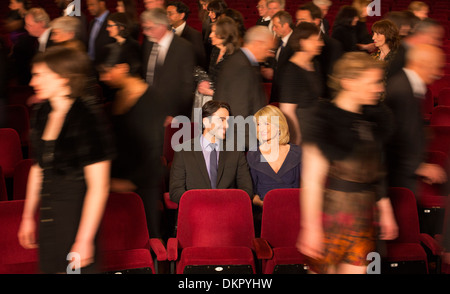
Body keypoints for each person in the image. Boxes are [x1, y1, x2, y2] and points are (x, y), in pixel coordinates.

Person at [297, 52, 398, 274]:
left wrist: (385, 208)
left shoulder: (374, 120)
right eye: (374, 82)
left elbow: (377, 172)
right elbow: (312, 181)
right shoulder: (324, 120)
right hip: (330, 217)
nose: (380, 88)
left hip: (363, 218)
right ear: (349, 83)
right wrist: (311, 228)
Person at [17, 46, 115, 274]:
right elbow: (38, 168)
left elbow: (99, 187)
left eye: (39, 75)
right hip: (49, 218)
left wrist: (84, 239)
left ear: (62, 78)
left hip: (76, 220)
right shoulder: (42, 112)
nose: (32, 82)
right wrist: (27, 216)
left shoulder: (88, 117)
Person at [98, 42, 166, 239]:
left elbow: (152, 149)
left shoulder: (151, 99)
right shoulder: (118, 95)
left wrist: (128, 183)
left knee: (145, 237)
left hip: (140, 184)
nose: (103, 77)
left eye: (106, 71)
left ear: (123, 68)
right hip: (116, 181)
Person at [385, 44, 447, 198]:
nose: (439, 74)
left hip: (406, 173)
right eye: (435, 67)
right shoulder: (401, 89)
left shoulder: (409, 86)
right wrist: (418, 167)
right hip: (399, 177)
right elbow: (394, 138)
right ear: (420, 64)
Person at [169, 100, 253, 204]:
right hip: (195, 214)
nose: (226, 125)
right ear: (205, 122)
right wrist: (205, 203)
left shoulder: (235, 151)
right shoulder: (183, 150)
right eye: (221, 120)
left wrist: (224, 204)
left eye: (228, 121)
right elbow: (175, 192)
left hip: (227, 213)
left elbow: (247, 190)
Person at [247, 105, 302, 233]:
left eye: (267, 123)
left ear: (279, 125)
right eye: (259, 125)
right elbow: (251, 193)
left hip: (294, 213)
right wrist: (267, 205)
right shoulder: (253, 154)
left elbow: (306, 189)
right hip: (264, 215)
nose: (262, 129)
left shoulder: (297, 153)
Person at [141, 7, 196, 121]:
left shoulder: (184, 47)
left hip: (172, 115)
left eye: (149, 28)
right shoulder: (148, 44)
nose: (145, 32)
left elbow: (187, 86)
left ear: (161, 26)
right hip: (149, 110)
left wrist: (175, 114)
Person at [278, 22, 324, 146]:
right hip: (302, 132)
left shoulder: (315, 64)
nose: (321, 43)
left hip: (315, 129)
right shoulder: (291, 71)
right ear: (303, 42)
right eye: (316, 40)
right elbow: (287, 110)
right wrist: (296, 139)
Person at [214, 25, 273, 119]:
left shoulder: (242, 61)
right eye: (268, 49)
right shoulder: (242, 67)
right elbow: (239, 112)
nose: (269, 54)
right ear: (258, 44)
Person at [296, 2, 343, 100]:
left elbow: (333, 81)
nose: (298, 24)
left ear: (316, 21)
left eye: (303, 20)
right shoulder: (295, 42)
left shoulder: (333, 46)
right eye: (297, 20)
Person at [196, 16, 240, 100]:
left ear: (225, 34)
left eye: (214, 32)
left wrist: (211, 93)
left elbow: (235, 90)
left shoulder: (235, 57)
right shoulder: (215, 50)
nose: (210, 35)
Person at [167, 1, 207, 69]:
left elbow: (200, 60)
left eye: (170, 14)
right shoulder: (165, 32)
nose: (167, 16)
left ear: (182, 15)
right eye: (166, 13)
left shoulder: (194, 35)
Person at [266, 10, 294, 104]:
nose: (273, 29)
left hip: (288, 95)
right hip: (277, 92)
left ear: (285, 25)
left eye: (276, 26)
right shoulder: (278, 41)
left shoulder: (295, 43)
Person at [370, 19, 400, 86]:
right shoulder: (372, 57)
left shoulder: (397, 57)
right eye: (373, 34)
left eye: (378, 34)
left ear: (388, 35)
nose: (373, 38)